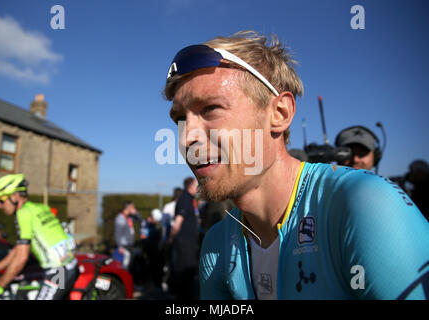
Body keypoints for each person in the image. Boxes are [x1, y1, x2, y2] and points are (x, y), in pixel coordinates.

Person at [163, 30, 429, 299]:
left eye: (210, 109)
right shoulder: (217, 242)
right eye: (179, 119)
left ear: (280, 114)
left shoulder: (362, 205)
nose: (187, 138)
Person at [0, 174, 78, 300]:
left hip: (58, 272)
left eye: (1, 200)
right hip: (68, 265)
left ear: (15, 197)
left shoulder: (23, 213)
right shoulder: (38, 207)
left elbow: (21, 258)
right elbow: (18, 249)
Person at [168, 177, 199, 300]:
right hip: (184, 243)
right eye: (197, 185)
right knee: (185, 271)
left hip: (189, 242)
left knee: (189, 271)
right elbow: (177, 223)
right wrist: (171, 238)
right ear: (190, 186)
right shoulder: (185, 200)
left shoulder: (190, 200)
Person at [113, 200, 140, 270]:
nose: (134, 208)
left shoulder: (129, 217)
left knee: (129, 265)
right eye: (133, 207)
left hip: (129, 245)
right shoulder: (120, 218)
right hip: (123, 246)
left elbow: (139, 218)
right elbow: (118, 233)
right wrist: (119, 246)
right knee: (124, 266)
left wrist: (135, 213)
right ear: (129, 207)